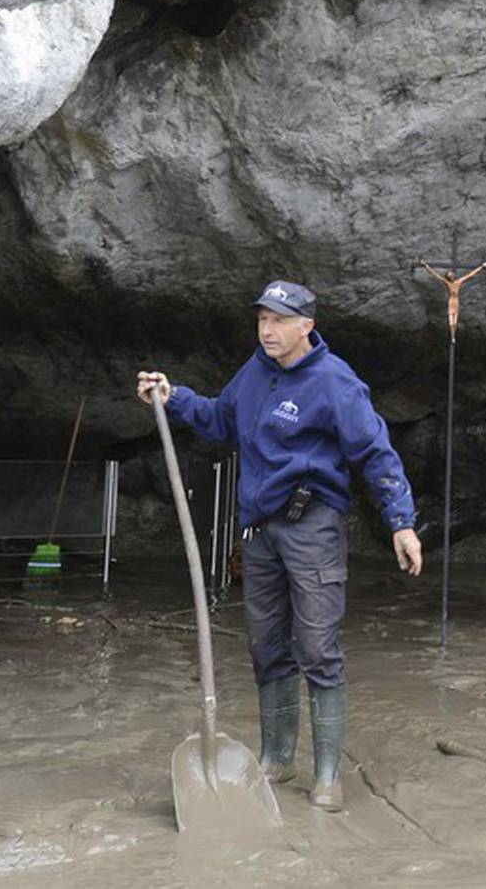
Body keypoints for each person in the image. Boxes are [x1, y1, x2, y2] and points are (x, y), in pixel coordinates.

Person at [136, 280, 423, 811]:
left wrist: (401, 522)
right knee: (267, 646)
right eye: (262, 320)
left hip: (312, 526)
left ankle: (329, 775)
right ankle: (277, 757)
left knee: (316, 648)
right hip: (260, 530)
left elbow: (375, 454)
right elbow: (221, 419)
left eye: (279, 321)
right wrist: (173, 397)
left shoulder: (336, 384)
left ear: (306, 327)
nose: (267, 330)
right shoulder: (255, 372)